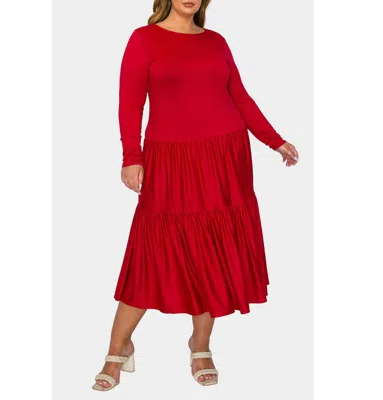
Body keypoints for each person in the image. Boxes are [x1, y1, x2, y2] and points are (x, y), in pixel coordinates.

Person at [93, 0, 299, 390]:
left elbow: (240, 97)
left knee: (213, 252)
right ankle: (117, 347)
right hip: (170, 160)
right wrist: (131, 156)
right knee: (152, 250)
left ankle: (200, 345)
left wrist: (275, 140)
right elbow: (130, 103)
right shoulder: (143, 39)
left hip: (224, 156)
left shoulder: (216, 42)